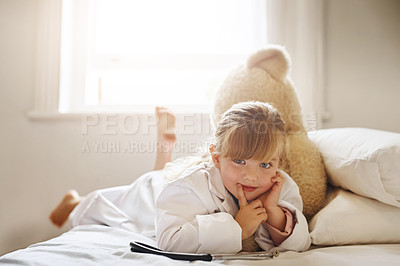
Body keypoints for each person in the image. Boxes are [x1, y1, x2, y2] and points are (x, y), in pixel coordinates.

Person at [50, 102, 311, 254]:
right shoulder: (191, 185)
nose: (252, 176)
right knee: (115, 204)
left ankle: (165, 149)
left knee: (164, 173)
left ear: (278, 164)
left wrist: (274, 212)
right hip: (155, 194)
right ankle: (75, 201)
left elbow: (300, 242)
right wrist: (237, 228)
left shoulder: (279, 185)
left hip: (173, 184)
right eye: (239, 161)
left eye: (265, 164)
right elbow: (170, 239)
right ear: (217, 158)